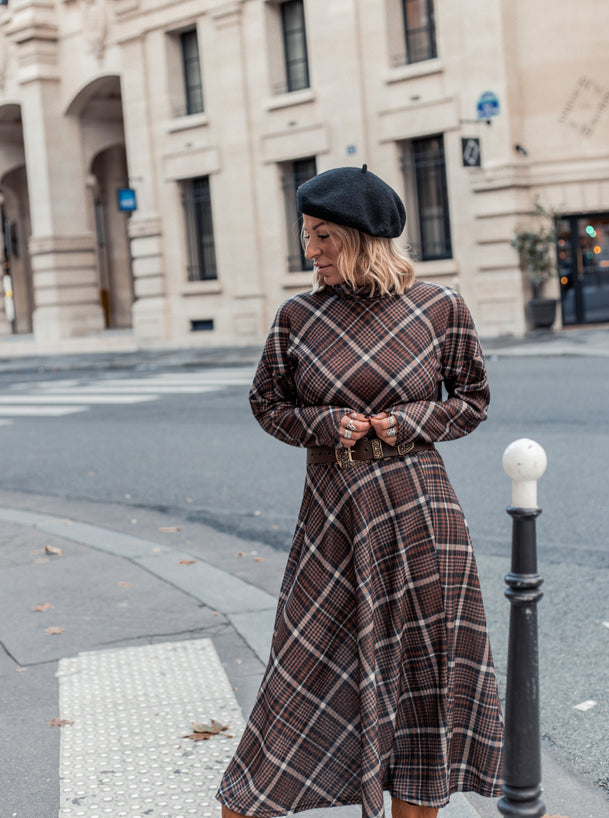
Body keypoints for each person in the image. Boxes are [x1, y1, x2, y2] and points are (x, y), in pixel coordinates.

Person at [216, 165, 503, 818]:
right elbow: (266, 403)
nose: (310, 250)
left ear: (362, 238)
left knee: (423, 677)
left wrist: (410, 422)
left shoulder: (440, 307)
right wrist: (324, 425)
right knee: (302, 669)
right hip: (333, 518)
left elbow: (473, 400)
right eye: (307, 235)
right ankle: (250, 799)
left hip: (421, 513)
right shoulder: (298, 317)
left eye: (323, 236)